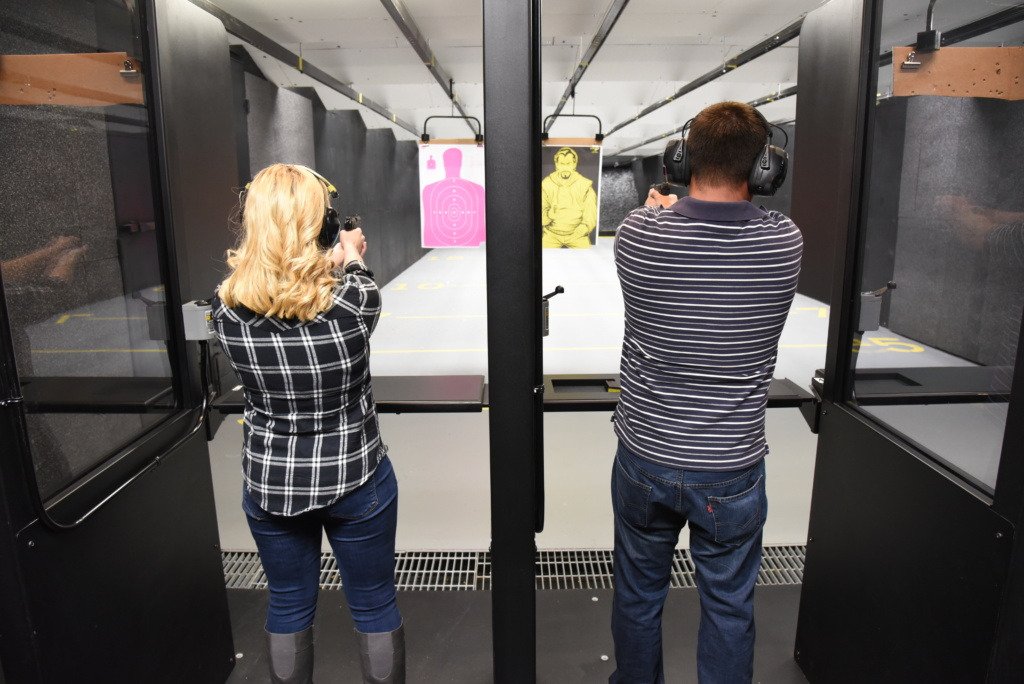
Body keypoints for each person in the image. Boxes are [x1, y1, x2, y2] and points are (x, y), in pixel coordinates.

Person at [610, 102, 803, 683]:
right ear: (765, 167)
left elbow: (661, 221)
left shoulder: (637, 236)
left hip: (646, 456)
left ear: (682, 160)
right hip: (731, 468)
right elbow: (742, 223)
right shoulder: (785, 243)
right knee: (728, 605)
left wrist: (663, 209)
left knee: (638, 596)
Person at [212, 164, 404, 684]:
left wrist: (326, 254)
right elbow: (352, 281)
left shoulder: (224, 311)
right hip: (357, 479)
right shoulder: (357, 301)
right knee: (373, 602)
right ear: (322, 228)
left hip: (270, 484)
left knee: (288, 603)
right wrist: (350, 253)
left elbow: (271, 294)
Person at [541, 146, 598, 248]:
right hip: (551, 234)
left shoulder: (584, 185)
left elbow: (591, 214)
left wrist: (582, 230)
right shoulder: (546, 184)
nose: (565, 167)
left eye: (568, 164)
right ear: (556, 165)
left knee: (586, 256)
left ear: (574, 164)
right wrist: (549, 215)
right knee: (542, 255)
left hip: (577, 235)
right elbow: (541, 216)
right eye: (562, 164)